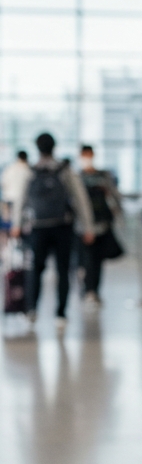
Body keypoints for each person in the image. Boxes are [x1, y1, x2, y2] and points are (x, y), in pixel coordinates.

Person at [10, 132, 94, 328]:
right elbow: (80, 200)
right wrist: (88, 226)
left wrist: (16, 225)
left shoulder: (30, 171)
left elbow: (21, 200)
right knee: (63, 270)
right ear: (54, 147)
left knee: (35, 270)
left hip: (38, 227)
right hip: (63, 227)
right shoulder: (65, 170)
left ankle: (31, 309)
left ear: (37, 148)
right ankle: (61, 314)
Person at [77, 145, 122, 305]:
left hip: (102, 225)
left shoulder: (103, 176)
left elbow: (115, 196)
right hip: (81, 227)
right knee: (85, 260)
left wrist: (118, 214)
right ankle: (87, 289)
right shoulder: (77, 177)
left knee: (97, 260)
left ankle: (93, 291)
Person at [1, 150, 31, 226]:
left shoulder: (9, 169)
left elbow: (4, 184)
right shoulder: (29, 170)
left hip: (10, 200)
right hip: (25, 201)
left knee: (11, 226)